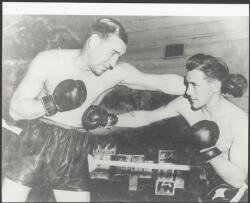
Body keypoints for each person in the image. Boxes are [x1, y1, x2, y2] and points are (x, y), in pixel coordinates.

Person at [3, 17, 186, 202]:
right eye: (113, 52)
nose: (114, 63)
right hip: (36, 142)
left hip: (76, 148)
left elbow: (159, 82)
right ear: (94, 42)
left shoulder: (115, 72)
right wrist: (52, 103)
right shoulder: (50, 60)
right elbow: (15, 110)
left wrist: (197, 87)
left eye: (119, 56)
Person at [115, 54, 248, 201]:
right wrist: (110, 120)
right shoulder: (186, 104)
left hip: (234, 195)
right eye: (187, 84)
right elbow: (147, 117)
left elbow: (238, 179)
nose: (188, 92)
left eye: (194, 85)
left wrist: (209, 149)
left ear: (215, 86)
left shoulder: (238, 121)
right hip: (206, 189)